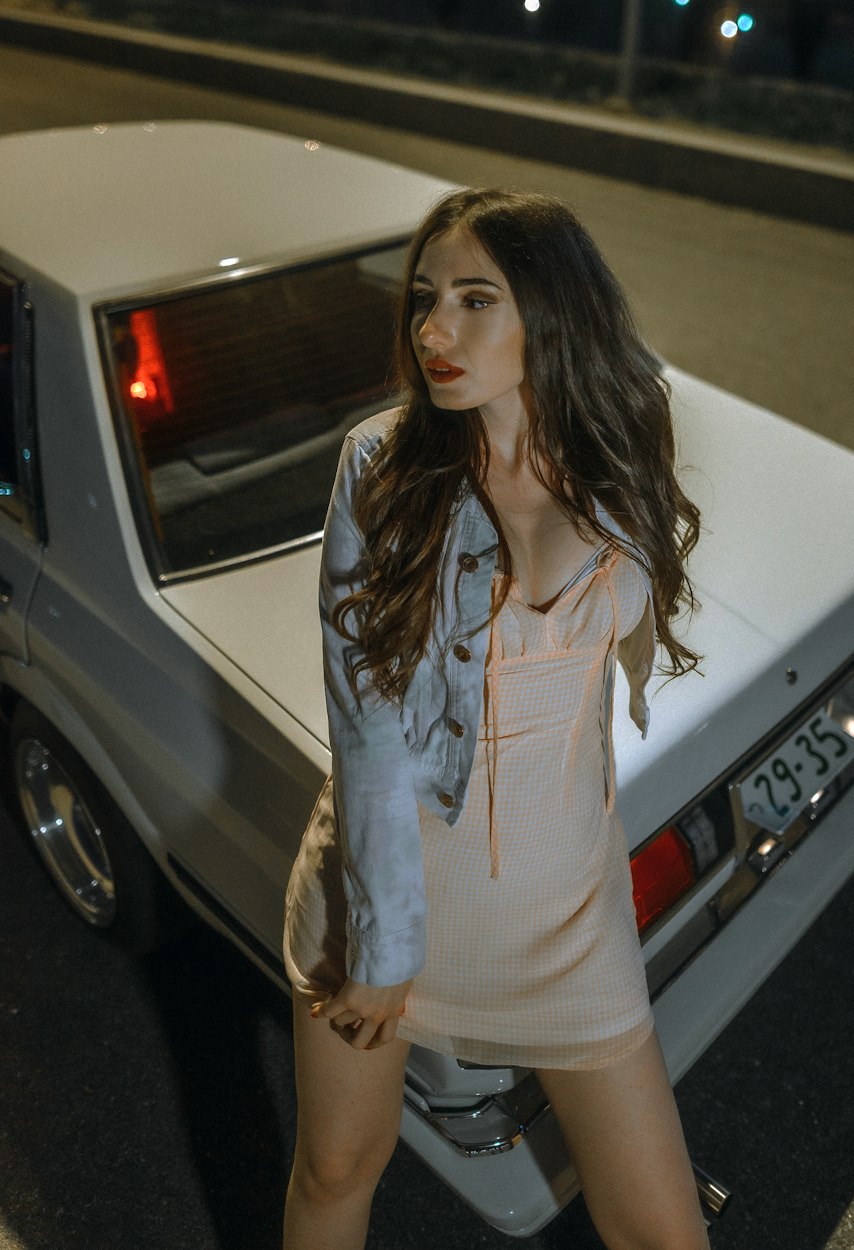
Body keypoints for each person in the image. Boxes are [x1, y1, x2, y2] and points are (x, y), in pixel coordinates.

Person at [282, 188, 708, 1250]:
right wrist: (385, 946)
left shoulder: (621, 450)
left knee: (660, 1224)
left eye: (476, 300)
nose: (434, 331)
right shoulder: (381, 468)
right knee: (337, 1165)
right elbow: (368, 730)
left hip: (566, 923)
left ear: (552, 316)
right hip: (387, 909)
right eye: (425, 299)